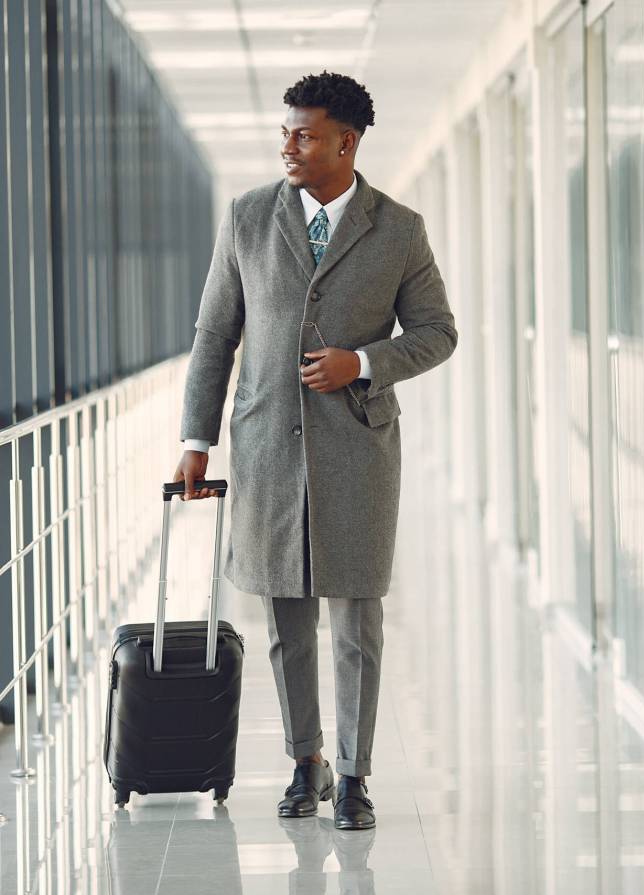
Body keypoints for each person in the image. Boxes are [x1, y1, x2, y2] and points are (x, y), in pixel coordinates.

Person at [173, 71, 458, 830]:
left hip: (358, 450)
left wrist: (361, 362)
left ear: (347, 141)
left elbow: (438, 331)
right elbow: (214, 335)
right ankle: (308, 762)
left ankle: (357, 774)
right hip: (268, 445)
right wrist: (195, 441)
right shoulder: (247, 218)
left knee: (356, 619)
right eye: (285, 132)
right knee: (286, 619)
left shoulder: (398, 228)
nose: (289, 146)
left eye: (304, 134)